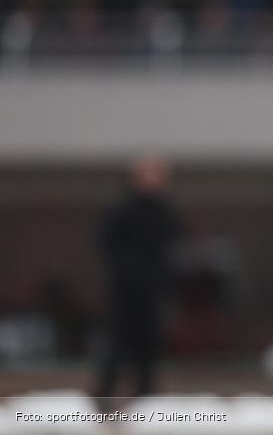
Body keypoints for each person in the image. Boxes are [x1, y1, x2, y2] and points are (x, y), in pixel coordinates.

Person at [95, 155, 182, 399]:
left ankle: (146, 399)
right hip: (125, 292)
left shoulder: (165, 211)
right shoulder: (121, 210)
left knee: (150, 347)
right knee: (118, 345)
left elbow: (173, 248)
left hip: (153, 293)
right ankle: (104, 398)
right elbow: (109, 247)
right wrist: (129, 273)